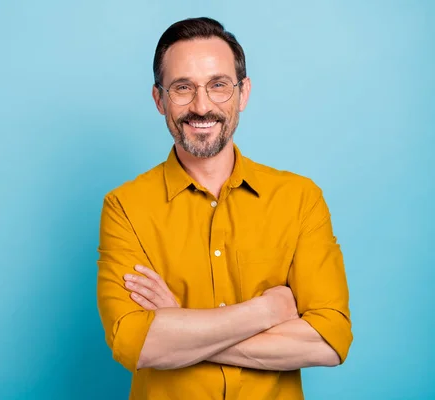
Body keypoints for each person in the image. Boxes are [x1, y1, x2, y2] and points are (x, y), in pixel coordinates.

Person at [96, 17, 352, 400]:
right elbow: (136, 345)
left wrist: (179, 328)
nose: (202, 106)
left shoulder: (300, 198)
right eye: (183, 88)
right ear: (159, 99)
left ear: (243, 93)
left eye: (218, 86)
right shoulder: (125, 207)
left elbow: (329, 343)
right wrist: (266, 312)